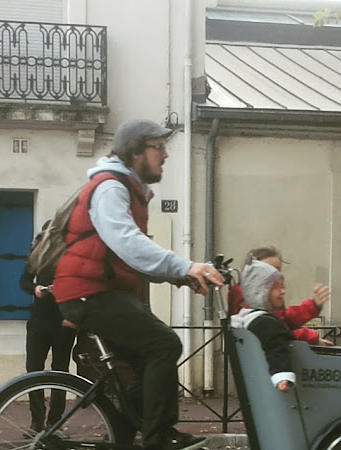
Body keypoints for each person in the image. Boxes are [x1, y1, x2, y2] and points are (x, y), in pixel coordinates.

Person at [52, 119, 224, 450]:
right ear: (135, 152)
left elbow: (131, 258)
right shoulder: (110, 187)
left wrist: (184, 277)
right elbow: (128, 244)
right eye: (158, 148)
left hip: (99, 291)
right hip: (88, 293)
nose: (166, 156)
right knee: (164, 344)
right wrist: (184, 265)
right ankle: (160, 437)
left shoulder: (127, 188)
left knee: (146, 361)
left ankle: (122, 434)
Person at [19, 227, 76, 434]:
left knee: (60, 371)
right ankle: (37, 421)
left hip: (63, 322)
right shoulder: (38, 257)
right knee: (33, 370)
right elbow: (24, 280)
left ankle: (55, 422)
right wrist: (36, 289)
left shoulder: (71, 256)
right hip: (39, 321)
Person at [228, 245, 333, 346]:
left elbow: (283, 320)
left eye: (278, 270)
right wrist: (310, 337)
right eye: (268, 269)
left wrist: (313, 305)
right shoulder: (245, 297)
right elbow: (276, 331)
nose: (275, 275)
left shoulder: (266, 298)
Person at [231, 259, 295, 392]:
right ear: (259, 291)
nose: (282, 291)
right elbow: (276, 347)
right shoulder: (266, 323)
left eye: (283, 286)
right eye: (276, 287)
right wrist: (282, 374)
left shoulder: (245, 319)